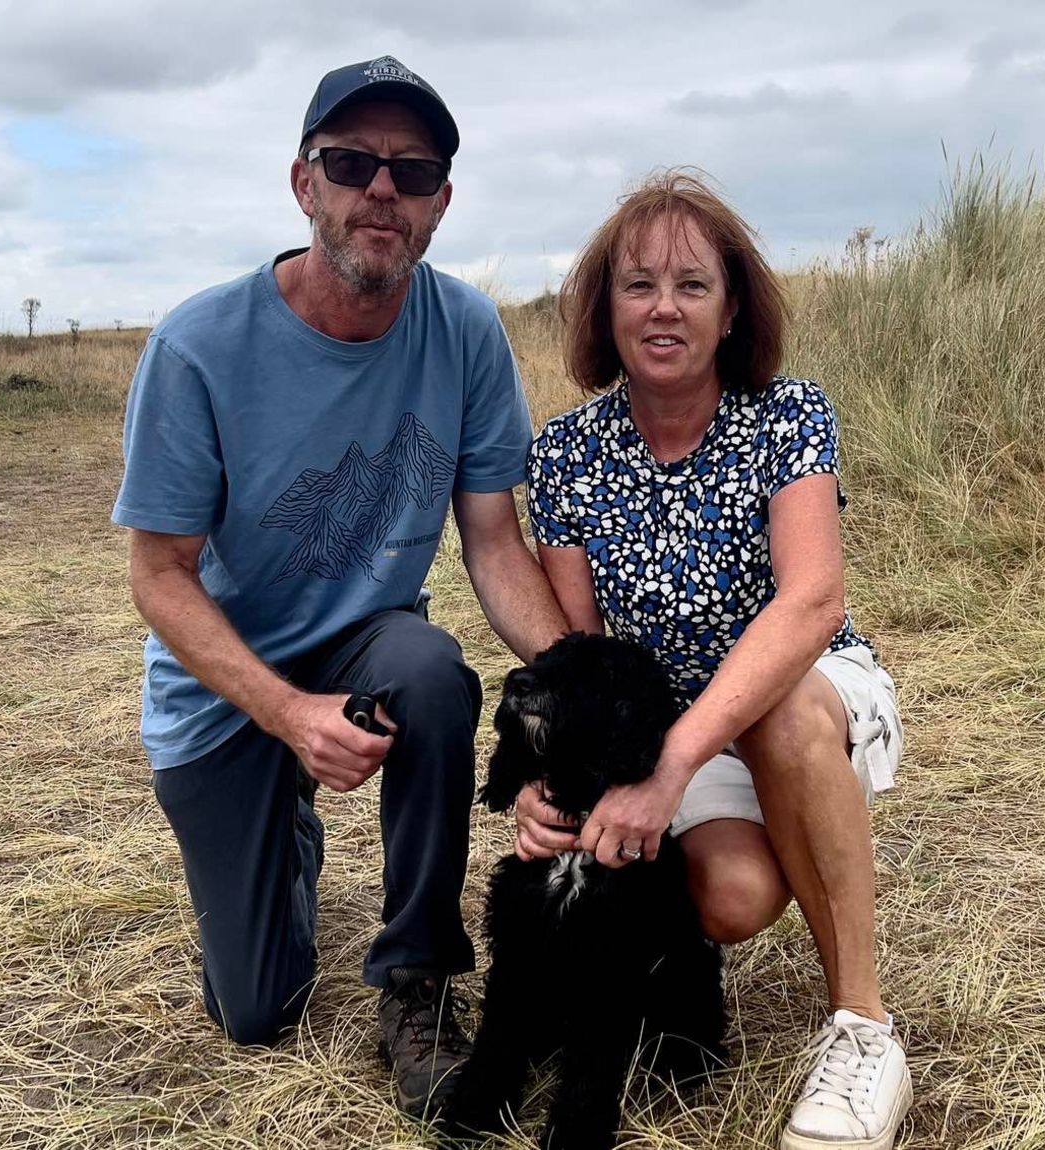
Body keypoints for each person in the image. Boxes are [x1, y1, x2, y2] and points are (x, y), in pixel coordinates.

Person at [111, 56, 566, 1118]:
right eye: (351, 161)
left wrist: (575, 690)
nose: (381, 190)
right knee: (256, 1011)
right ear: (302, 183)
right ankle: (285, 829)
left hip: (367, 649)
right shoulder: (197, 347)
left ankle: (416, 977)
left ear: (440, 204)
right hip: (228, 684)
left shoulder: (464, 332)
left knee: (432, 671)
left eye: (411, 172)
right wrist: (285, 712)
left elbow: (495, 544)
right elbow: (160, 577)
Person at [517, 169, 913, 1150]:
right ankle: (711, 931)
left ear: (732, 308)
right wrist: (555, 784)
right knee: (731, 899)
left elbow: (811, 601)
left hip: (803, 694)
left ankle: (864, 1032)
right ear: (601, 308)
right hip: (669, 730)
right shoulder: (564, 453)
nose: (662, 308)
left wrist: (679, 760)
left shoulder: (785, 416)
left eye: (691, 285)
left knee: (779, 713)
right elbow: (583, 658)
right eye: (637, 283)